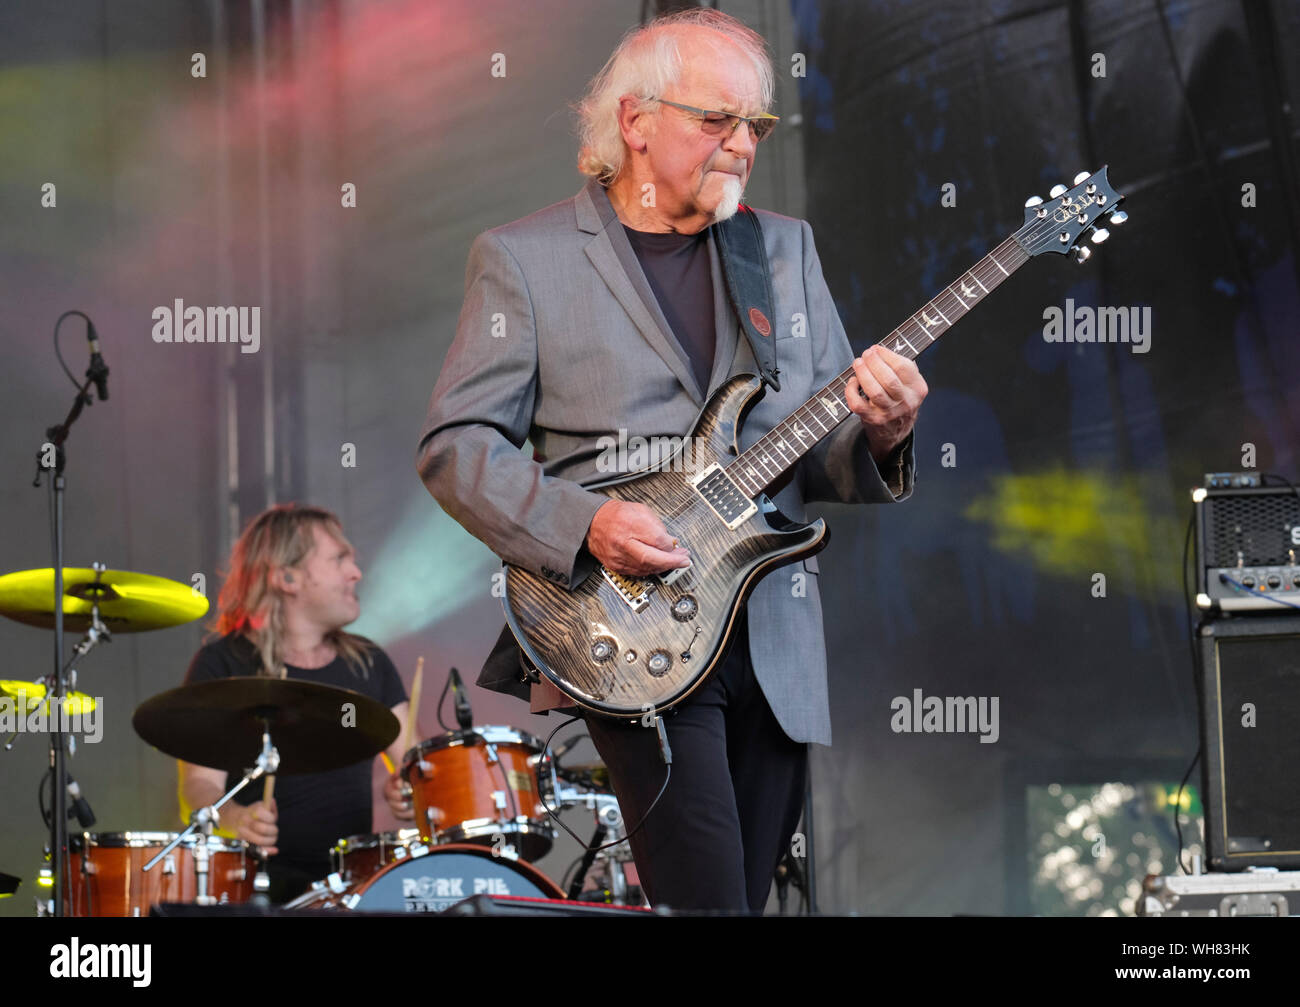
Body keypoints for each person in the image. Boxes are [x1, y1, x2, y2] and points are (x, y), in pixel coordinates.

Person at [416, 9, 926, 913]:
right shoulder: (524, 260)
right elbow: (457, 448)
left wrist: (884, 433)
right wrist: (589, 523)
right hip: (634, 631)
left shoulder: (783, 248)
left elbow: (822, 454)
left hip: (770, 633)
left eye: (755, 127)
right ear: (635, 122)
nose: (740, 145)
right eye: (715, 121)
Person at [177, 504, 414, 903]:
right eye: (340, 559)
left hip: (351, 890)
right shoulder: (223, 664)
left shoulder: (370, 664)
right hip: (252, 887)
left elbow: (415, 767)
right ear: (286, 577)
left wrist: (410, 791)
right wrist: (234, 819)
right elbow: (198, 788)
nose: (355, 572)